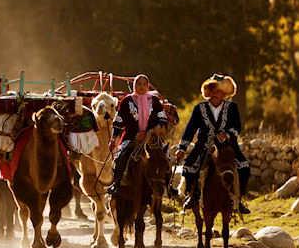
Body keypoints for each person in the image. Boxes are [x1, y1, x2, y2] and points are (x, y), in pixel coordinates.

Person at [174, 74, 251, 214]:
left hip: (227, 145)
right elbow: (190, 129)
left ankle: (238, 200)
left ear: (224, 94)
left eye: (220, 91)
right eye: (213, 90)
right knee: (189, 166)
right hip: (204, 145)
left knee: (244, 166)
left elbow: (237, 127)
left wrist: (227, 134)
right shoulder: (199, 108)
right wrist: (182, 148)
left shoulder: (232, 107)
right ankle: (193, 196)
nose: (216, 94)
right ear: (208, 91)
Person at [106, 74, 169, 195]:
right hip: (131, 137)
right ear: (134, 85)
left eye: (144, 84)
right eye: (138, 84)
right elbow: (118, 121)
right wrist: (114, 138)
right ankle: (117, 184)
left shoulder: (154, 101)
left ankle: (168, 187)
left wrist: (154, 129)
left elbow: (162, 118)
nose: (141, 87)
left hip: (152, 138)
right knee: (121, 157)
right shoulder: (126, 101)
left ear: (147, 86)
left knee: (164, 158)